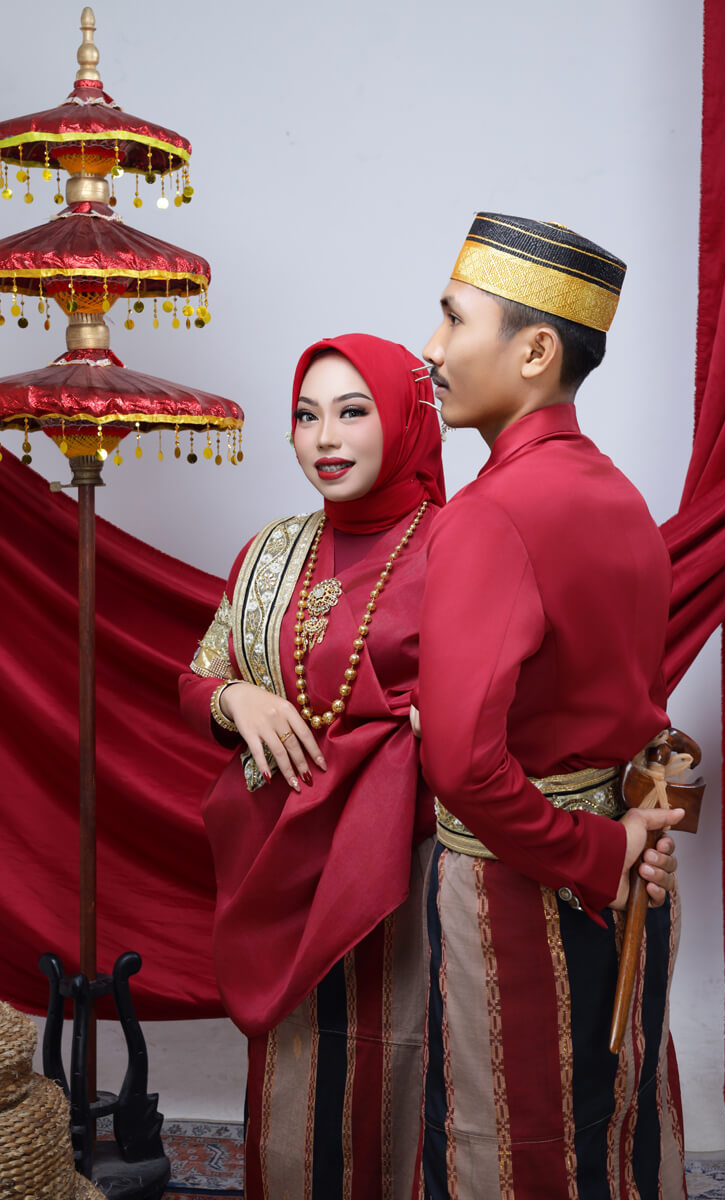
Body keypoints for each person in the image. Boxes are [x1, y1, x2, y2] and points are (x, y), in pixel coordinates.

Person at [415, 214, 687, 1198]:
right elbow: (631, 709)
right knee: (612, 1129)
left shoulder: (489, 515)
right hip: (633, 869)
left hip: (522, 885)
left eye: (454, 320)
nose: (432, 348)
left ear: (534, 352)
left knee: (508, 1140)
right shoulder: (620, 497)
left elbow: (460, 764)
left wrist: (595, 854)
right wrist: (623, 842)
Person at [179, 333, 447, 1198]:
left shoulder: (458, 545)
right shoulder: (272, 552)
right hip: (282, 860)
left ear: (406, 419)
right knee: (298, 1081)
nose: (325, 438)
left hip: (410, 866)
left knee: (408, 1068)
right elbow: (199, 677)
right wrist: (237, 700)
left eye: (353, 412)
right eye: (306, 416)